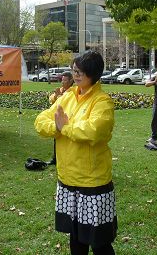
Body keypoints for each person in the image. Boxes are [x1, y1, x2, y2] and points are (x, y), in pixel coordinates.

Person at [35, 51, 117, 255]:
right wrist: (57, 128)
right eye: (74, 71)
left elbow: (95, 130)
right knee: (76, 239)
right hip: (68, 180)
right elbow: (40, 121)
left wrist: (65, 128)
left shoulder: (102, 101)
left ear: (93, 74)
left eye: (81, 72)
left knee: (99, 242)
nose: (76, 75)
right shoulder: (68, 97)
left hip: (92, 183)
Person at [47, 71, 75, 165]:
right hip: (59, 119)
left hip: (68, 119)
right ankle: (55, 158)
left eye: (65, 80)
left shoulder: (73, 91)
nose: (62, 82)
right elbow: (51, 99)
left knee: (66, 140)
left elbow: (64, 102)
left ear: (71, 81)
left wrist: (58, 96)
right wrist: (55, 95)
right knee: (57, 137)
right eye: (62, 80)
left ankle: (66, 160)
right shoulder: (61, 89)